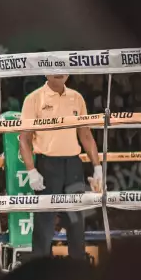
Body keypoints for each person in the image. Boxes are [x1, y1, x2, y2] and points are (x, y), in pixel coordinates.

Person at [19, 74, 102, 261]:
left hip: (73, 165)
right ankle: (39, 270)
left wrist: (97, 168)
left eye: (64, 67)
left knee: (76, 220)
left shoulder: (77, 97)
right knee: (44, 222)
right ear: (46, 72)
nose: (59, 72)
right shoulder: (33, 98)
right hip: (47, 165)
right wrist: (31, 170)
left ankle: (79, 270)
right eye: (54, 67)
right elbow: (24, 138)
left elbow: (85, 134)